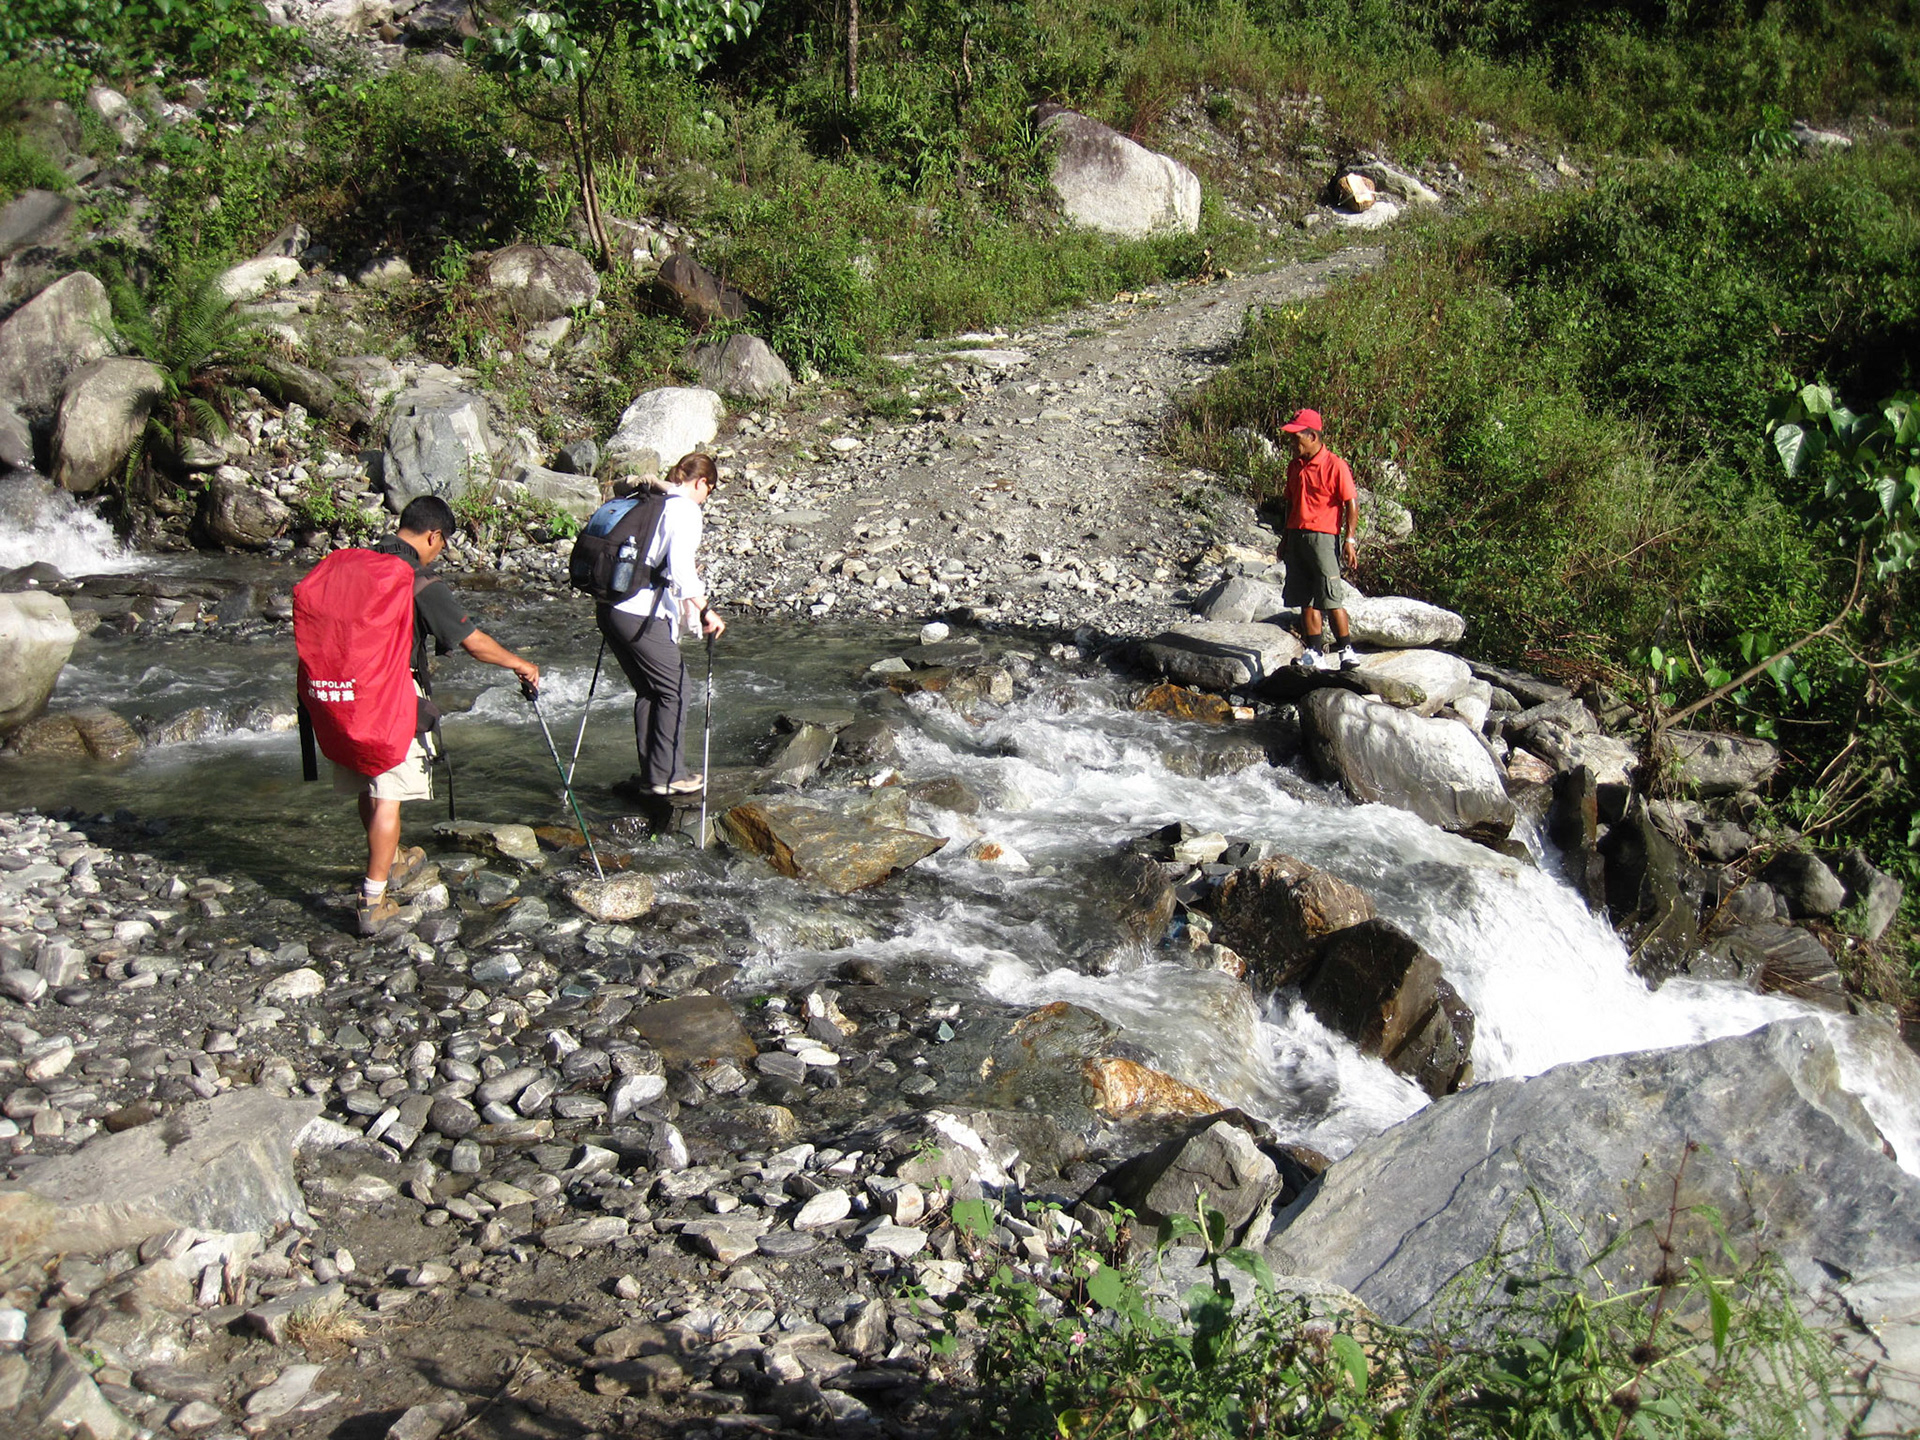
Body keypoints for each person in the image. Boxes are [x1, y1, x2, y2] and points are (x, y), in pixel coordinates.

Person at [344, 495, 540, 935]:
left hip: (344, 693)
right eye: (442, 545)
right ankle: (373, 900)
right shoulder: (416, 581)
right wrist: (520, 664)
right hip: (389, 695)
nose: (440, 553)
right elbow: (472, 641)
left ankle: (391, 860)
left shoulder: (357, 563)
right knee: (389, 793)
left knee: (369, 780)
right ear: (432, 535)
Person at [598, 452, 727, 796]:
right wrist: (705, 609)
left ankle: (652, 775)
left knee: (650, 690)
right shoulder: (685, 509)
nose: (705, 498)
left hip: (612, 607)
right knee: (675, 689)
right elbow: (682, 569)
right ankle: (670, 776)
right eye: (708, 491)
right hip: (640, 614)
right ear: (701, 482)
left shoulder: (653, 500)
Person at [1277, 408, 1362, 672]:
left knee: (1330, 596)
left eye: (1296, 437)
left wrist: (1349, 540)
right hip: (1297, 536)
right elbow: (1290, 503)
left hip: (1324, 537)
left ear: (1312, 436)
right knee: (1306, 598)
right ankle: (1315, 651)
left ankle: (1346, 650)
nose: (1293, 443)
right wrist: (1285, 537)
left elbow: (1351, 504)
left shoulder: (1335, 465)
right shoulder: (1295, 467)